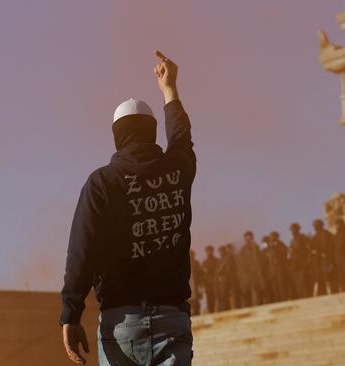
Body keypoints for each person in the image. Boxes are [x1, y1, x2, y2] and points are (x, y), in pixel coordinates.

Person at [60, 50, 196, 365]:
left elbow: (81, 251)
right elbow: (181, 138)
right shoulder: (179, 169)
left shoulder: (102, 183)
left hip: (121, 326)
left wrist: (71, 312)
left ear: (117, 136)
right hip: (173, 321)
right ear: (152, 131)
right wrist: (169, 90)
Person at [236, 231, 266, 306]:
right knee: (247, 293)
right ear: (245, 239)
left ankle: (260, 305)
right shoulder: (242, 250)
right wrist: (244, 272)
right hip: (247, 275)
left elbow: (260, 259)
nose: (249, 239)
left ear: (252, 238)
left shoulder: (256, 247)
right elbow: (240, 263)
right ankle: (248, 308)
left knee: (258, 290)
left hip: (256, 273)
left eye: (250, 237)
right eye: (247, 237)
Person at [289, 223, 311, 299]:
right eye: (291, 230)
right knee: (299, 282)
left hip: (303, 263)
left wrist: (308, 260)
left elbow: (308, 249)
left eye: (294, 229)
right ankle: (302, 296)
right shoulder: (292, 240)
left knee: (304, 280)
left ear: (298, 229)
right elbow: (291, 253)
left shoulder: (303, 238)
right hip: (295, 265)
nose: (292, 231)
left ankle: (307, 296)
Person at [201, 245, 220, 313]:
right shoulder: (204, 263)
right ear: (206, 252)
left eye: (210, 251)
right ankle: (211, 312)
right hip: (208, 284)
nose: (209, 252)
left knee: (218, 298)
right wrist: (203, 285)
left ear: (212, 251)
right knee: (209, 299)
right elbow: (202, 275)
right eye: (207, 251)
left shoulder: (217, 261)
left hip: (216, 283)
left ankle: (219, 312)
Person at [189, 250, 203, 315]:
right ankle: (192, 312)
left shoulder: (196, 263)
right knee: (190, 300)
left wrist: (200, 285)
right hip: (189, 284)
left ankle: (197, 312)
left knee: (196, 299)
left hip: (195, 284)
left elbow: (200, 275)